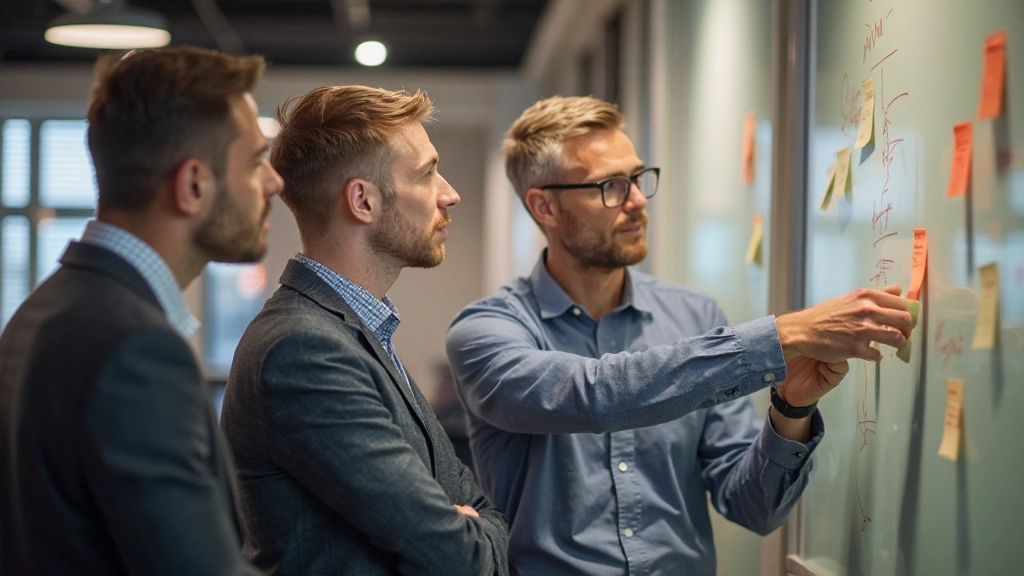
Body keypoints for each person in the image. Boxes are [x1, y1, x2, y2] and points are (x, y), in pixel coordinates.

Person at [445, 96, 914, 576]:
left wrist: (791, 408)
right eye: (611, 186)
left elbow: (752, 507)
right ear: (544, 206)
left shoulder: (694, 317)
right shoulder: (487, 333)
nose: (638, 201)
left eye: (638, 178)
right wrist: (785, 334)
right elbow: (596, 394)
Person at [0, 46, 283, 576]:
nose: (274, 182)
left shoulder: (43, 311)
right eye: (254, 162)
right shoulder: (136, 350)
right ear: (193, 185)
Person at [220, 85, 509, 576]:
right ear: (362, 201)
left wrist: (471, 524)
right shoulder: (303, 348)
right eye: (427, 174)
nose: (449, 193)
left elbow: (479, 507)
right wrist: (469, 531)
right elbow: (462, 559)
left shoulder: (357, 331)